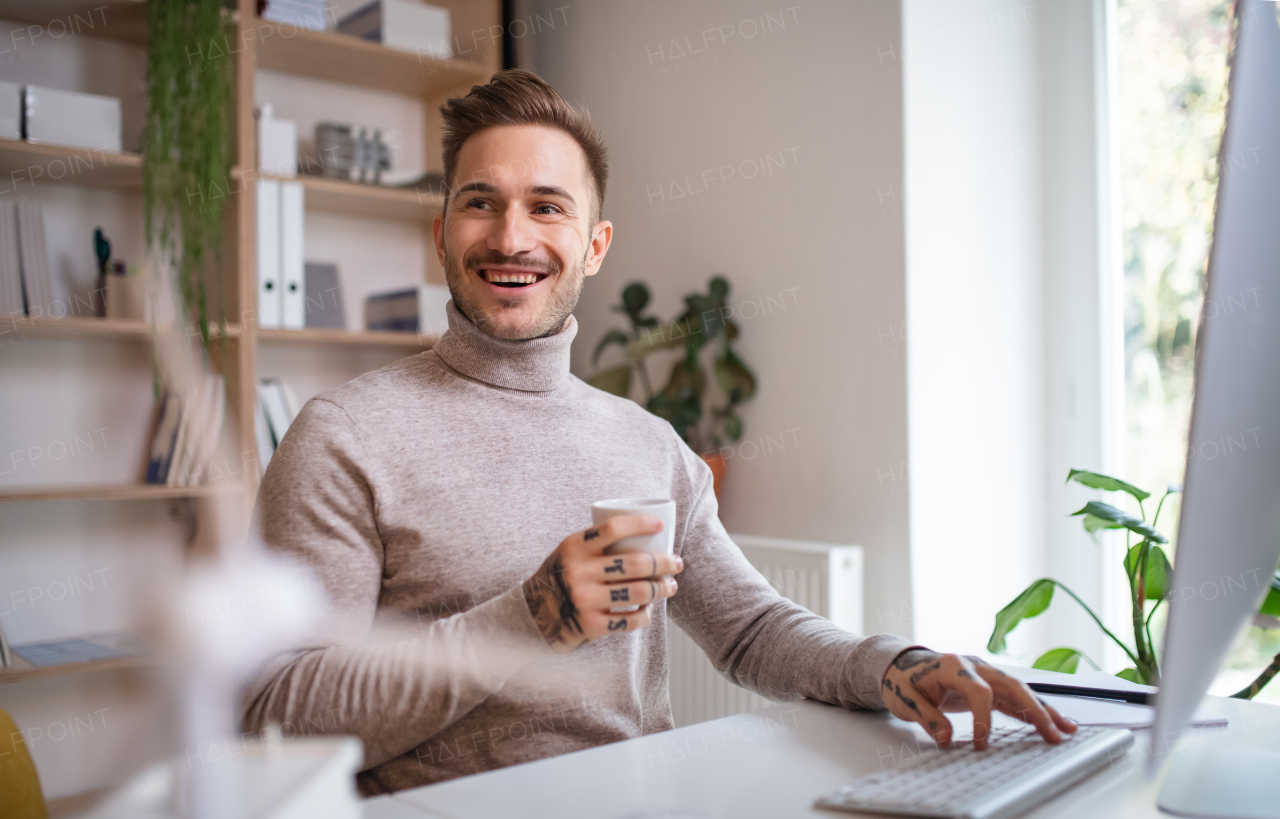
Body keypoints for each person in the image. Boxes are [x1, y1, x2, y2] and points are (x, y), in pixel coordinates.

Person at [242, 69, 1075, 796]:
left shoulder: (648, 443)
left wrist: (896, 666)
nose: (511, 236)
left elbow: (752, 631)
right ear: (441, 235)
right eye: (480, 203)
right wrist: (532, 615)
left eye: (548, 207)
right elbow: (281, 714)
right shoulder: (344, 438)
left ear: (594, 245)